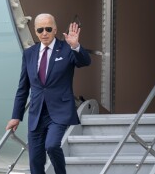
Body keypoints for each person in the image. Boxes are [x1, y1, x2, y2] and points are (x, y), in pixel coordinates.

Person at [6, 13, 91, 174]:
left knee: (51, 145)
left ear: (55, 29)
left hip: (59, 110)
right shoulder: (29, 53)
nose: (44, 33)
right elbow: (23, 87)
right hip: (37, 113)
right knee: (35, 160)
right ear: (36, 31)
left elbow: (84, 62)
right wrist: (16, 116)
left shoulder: (66, 48)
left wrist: (75, 46)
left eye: (48, 28)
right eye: (40, 30)